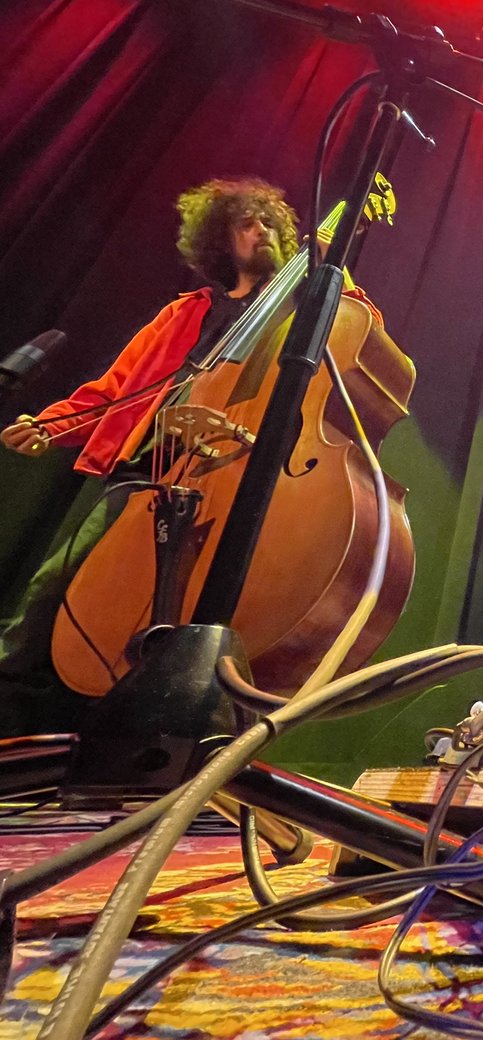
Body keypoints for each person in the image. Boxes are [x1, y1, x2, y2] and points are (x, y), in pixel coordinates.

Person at [0, 177, 376, 738]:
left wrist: (328, 268)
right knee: (51, 600)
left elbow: (357, 325)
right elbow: (116, 388)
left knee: (193, 625)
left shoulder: (308, 302)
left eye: (271, 221)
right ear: (220, 241)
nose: (263, 230)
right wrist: (51, 426)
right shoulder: (184, 315)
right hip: (148, 476)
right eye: (248, 222)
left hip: (237, 480)